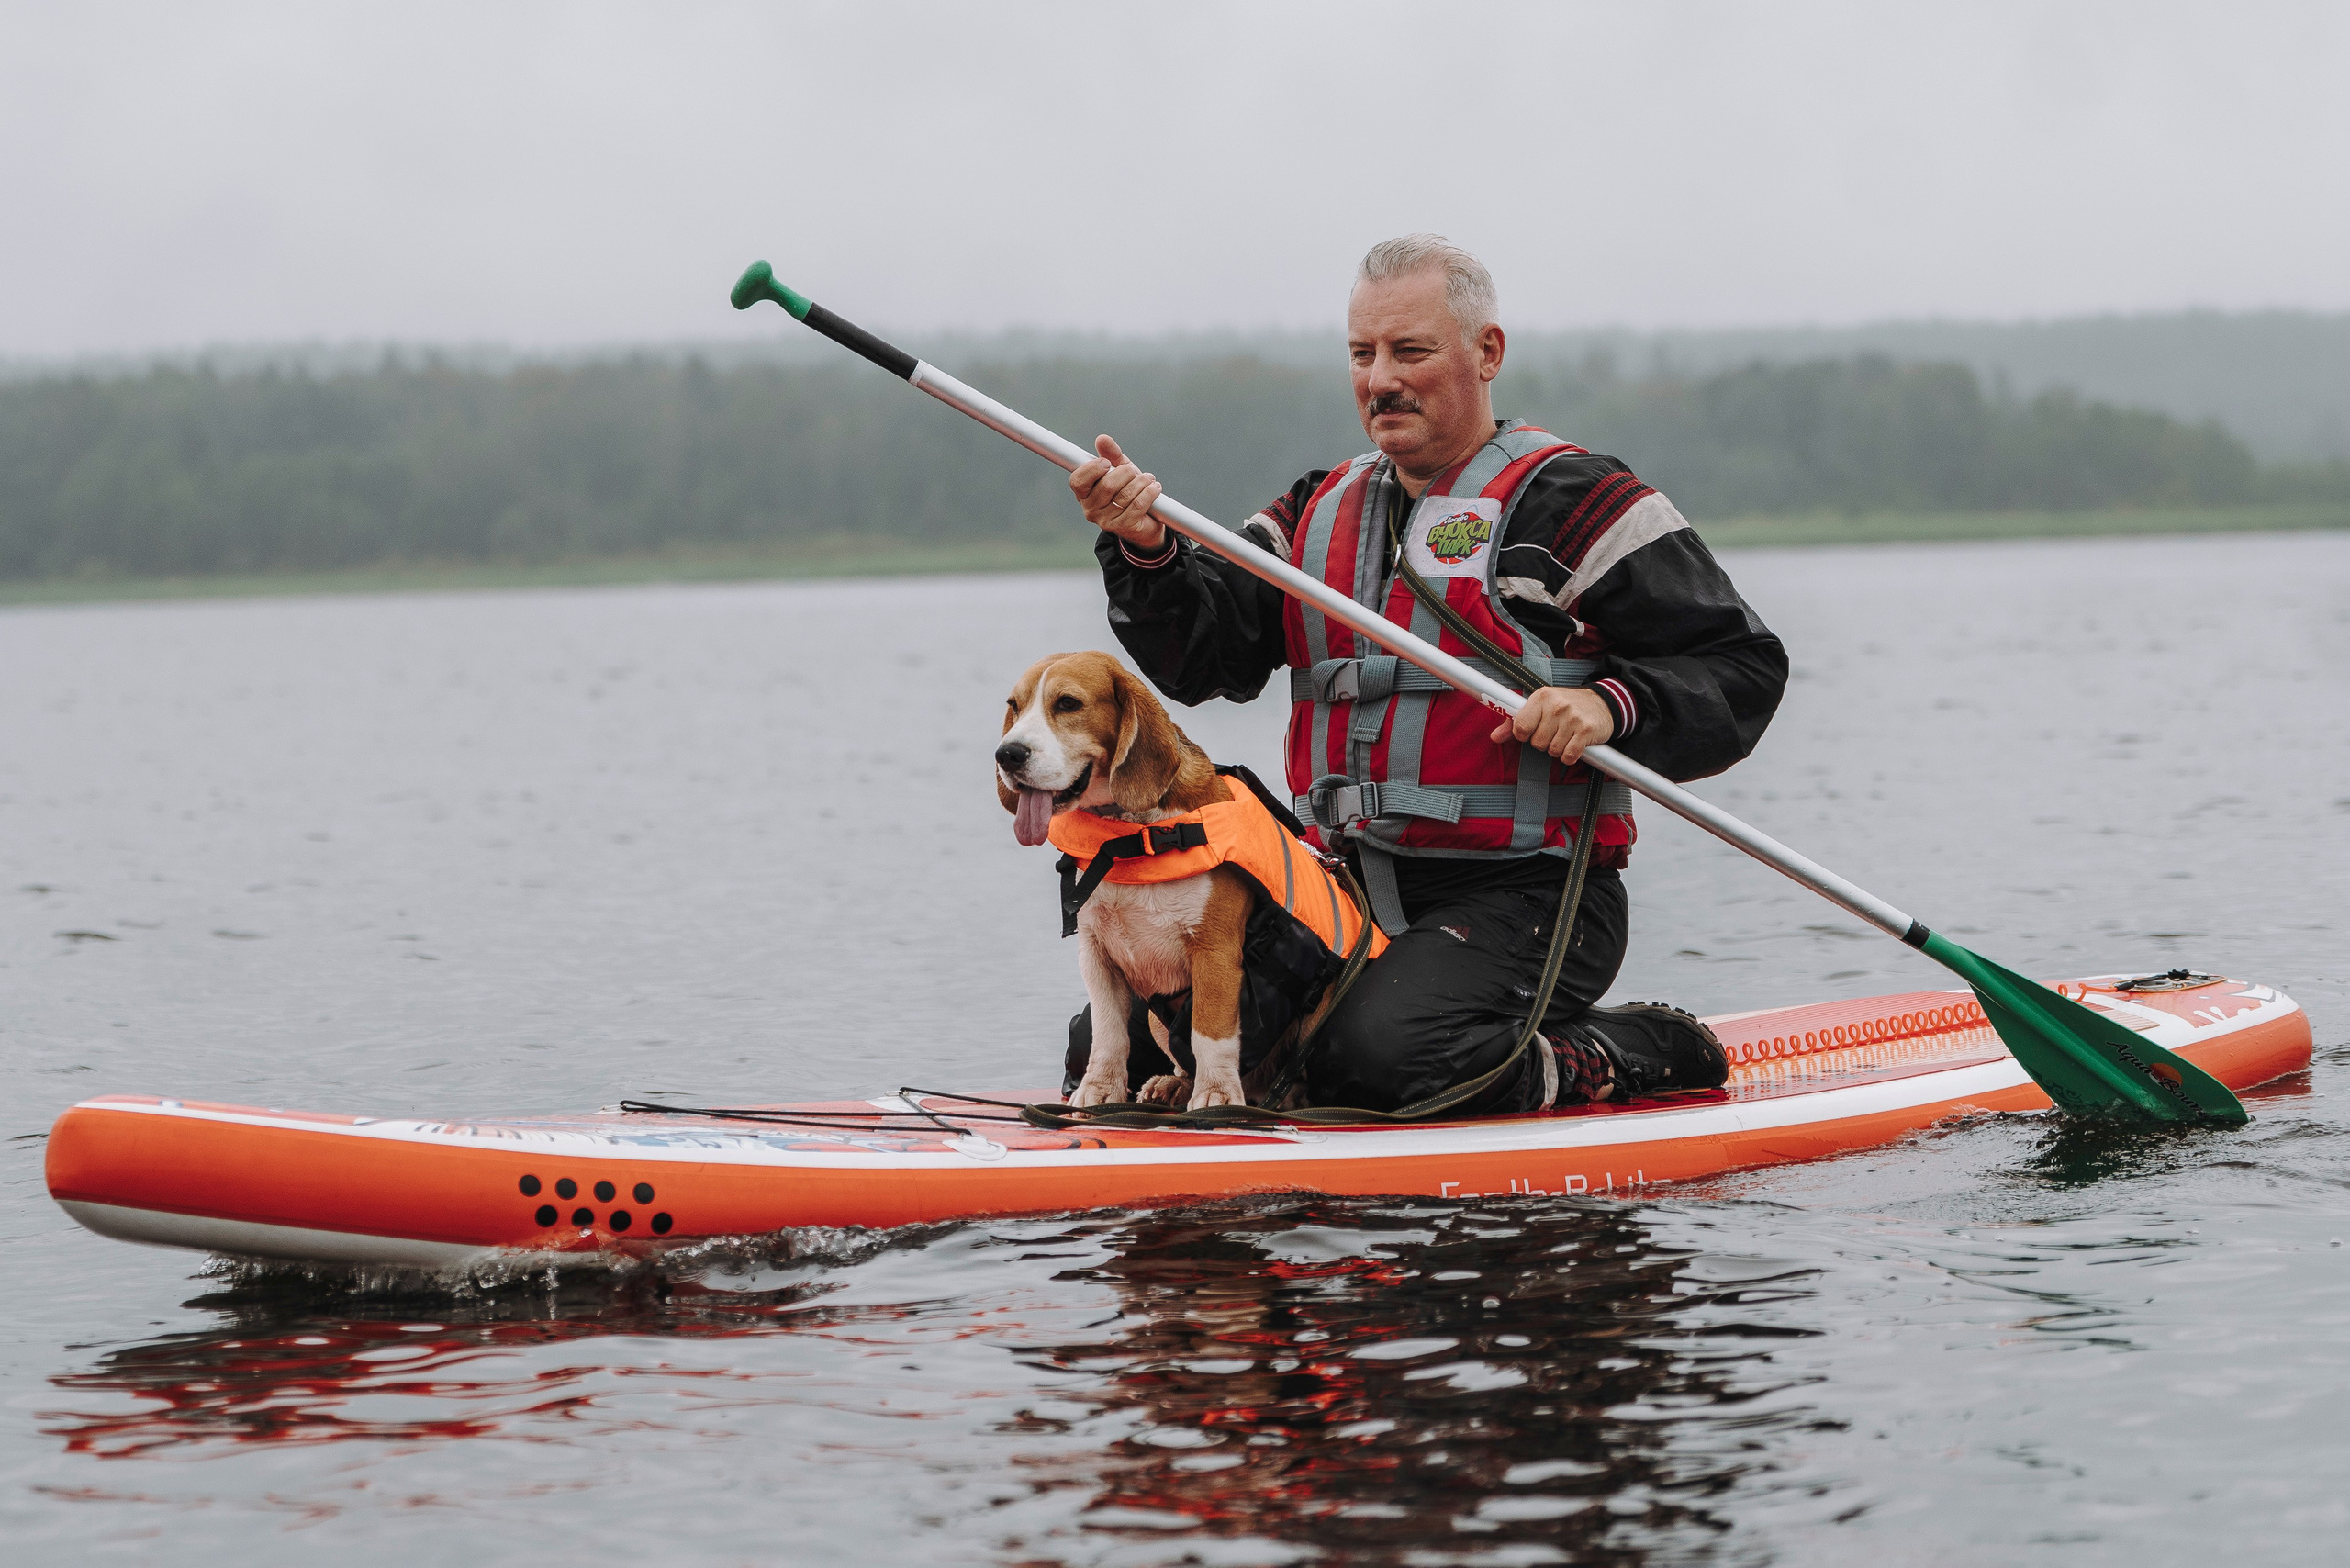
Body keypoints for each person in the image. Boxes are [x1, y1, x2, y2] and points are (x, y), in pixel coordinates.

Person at [1063, 235, 1787, 1114]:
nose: (1380, 380)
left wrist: (1608, 706)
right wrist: (1147, 552)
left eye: (1410, 351)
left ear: (1487, 354)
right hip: (1340, 887)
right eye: (1362, 355)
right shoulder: (1314, 510)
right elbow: (1208, 657)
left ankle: (1613, 1052)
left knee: (1375, 1060)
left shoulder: (1583, 503)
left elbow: (1741, 666)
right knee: (1117, 1047)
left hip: (1525, 897)